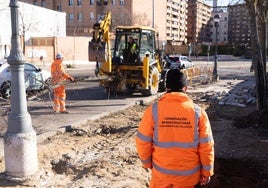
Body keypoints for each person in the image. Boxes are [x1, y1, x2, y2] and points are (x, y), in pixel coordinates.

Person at [135, 69, 214, 188]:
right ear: (185, 89)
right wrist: (207, 172)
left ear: (167, 89)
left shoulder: (153, 111)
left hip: (161, 176)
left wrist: (147, 163)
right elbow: (206, 146)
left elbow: (142, 141)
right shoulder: (198, 113)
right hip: (188, 179)